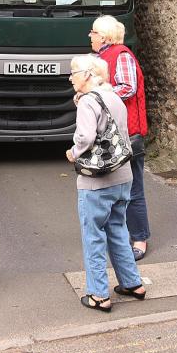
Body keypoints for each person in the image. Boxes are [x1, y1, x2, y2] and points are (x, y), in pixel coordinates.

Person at [66, 55, 145, 312]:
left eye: (74, 72)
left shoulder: (88, 102)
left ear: (88, 75)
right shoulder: (114, 97)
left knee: (94, 235)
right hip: (122, 176)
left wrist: (74, 152)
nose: (70, 77)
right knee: (118, 230)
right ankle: (133, 283)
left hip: (97, 180)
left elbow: (86, 137)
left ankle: (99, 294)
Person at [89, 15, 151, 261]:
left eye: (93, 32)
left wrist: (98, 93)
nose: (89, 36)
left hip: (127, 134)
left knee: (133, 189)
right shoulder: (100, 58)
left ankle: (140, 238)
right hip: (111, 134)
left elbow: (128, 87)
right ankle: (119, 239)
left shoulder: (121, 55)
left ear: (104, 36)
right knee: (112, 189)